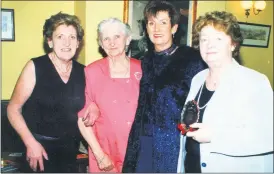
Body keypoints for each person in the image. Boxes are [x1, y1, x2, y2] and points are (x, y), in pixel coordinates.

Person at [178, 11, 273, 173]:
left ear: (233, 44)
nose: (210, 45)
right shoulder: (198, 79)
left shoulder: (255, 82)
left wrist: (215, 137)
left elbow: (268, 136)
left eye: (218, 39)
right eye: (204, 39)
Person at [122, 1, 206, 172]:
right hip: (143, 140)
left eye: (163, 22)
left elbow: (203, 103)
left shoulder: (192, 59)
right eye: (151, 23)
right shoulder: (145, 61)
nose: (156, 29)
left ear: (174, 28)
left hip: (173, 143)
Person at [7, 12, 85, 173]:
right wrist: (31, 143)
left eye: (72, 37)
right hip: (38, 150)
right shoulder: (35, 67)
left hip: (70, 150)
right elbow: (13, 109)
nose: (67, 42)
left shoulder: (83, 72)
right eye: (60, 37)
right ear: (50, 41)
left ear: (78, 43)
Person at [77, 17, 142, 172]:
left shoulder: (142, 69)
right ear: (101, 43)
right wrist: (100, 156)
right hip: (104, 152)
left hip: (137, 151)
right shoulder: (91, 72)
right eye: (106, 38)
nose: (112, 43)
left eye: (117, 37)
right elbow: (82, 120)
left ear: (128, 40)